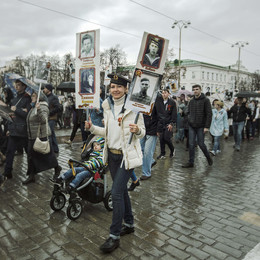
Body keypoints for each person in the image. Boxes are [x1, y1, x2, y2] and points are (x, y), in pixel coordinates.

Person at [85, 73, 145, 253]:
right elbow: (108, 132)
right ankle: (129, 223)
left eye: (119, 87)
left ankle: (114, 236)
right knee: (122, 192)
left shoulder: (134, 107)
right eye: (112, 87)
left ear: (126, 89)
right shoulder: (107, 105)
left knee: (117, 193)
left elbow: (142, 131)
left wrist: (138, 130)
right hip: (111, 155)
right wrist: (93, 128)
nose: (115, 90)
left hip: (127, 157)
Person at [22, 91, 62, 185]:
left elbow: (44, 119)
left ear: (39, 97)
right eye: (32, 95)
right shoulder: (33, 107)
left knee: (47, 156)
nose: (32, 97)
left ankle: (57, 167)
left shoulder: (43, 107)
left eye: (34, 95)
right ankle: (31, 175)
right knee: (31, 156)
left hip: (41, 136)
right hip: (32, 136)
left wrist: (39, 109)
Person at [1, 80, 31, 181]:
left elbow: (28, 115)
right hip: (13, 130)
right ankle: (7, 172)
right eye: (16, 85)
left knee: (29, 153)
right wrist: (8, 128)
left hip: (23, 131)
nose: (16, 87)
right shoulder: (14, 99)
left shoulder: (27, 99)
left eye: (19, 85)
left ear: (24, 86)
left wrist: (17, 110)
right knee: (10, 151)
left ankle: (32, 173)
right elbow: (11, 115)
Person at [182, 84, 213, 168]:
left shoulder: (205, 100)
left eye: (197, 89)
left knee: (201, 144)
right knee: (191, 144)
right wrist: (188, 117)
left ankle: (208, 158)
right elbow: (188, 111)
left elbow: (209, 114)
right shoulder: (191, 101)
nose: (195, 91)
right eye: (194, 89)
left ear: (200, 90)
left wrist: (207, 126)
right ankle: (191, 162)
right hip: (192, 125)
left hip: (201, 126)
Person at [154, 89, 177, 159]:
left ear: (168, 94)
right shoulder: (159, 102)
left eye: (165, 93)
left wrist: (171, 123)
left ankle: (172, 149)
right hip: (160, 123)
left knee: (166, 138)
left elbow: (174, 114)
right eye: (163, 93)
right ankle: (162, 153)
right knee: (161, 139)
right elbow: (156, 113)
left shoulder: (172, 102)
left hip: (168, 123)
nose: (164, 94)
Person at [43, 84, 60, 153]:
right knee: (52, 133)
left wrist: (49, 112)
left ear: (48, 89)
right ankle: (55, 149)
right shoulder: (45, 97)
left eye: (45, 88)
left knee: (48, 133)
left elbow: (58, 107)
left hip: (51, 118)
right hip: (47, 118)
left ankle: (50, 149)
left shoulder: (54, 97)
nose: (43, 90)